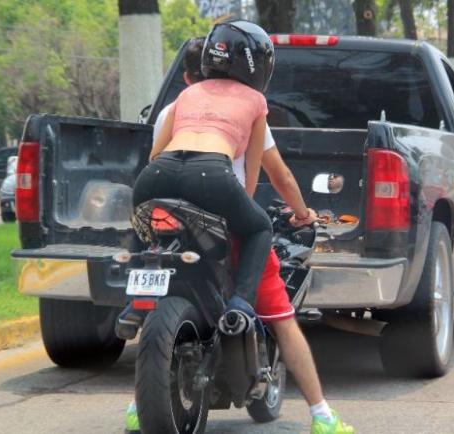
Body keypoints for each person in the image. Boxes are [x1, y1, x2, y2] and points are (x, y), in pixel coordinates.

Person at [125, 35, 354, 434]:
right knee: (261, 232)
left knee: (146, 228)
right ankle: (319, 412)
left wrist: (164, 187)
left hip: (157, 178)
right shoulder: (255, 101)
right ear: (258, 67)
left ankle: (132, 304)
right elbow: (257, 174)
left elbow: (154, 156)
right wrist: (286, 213)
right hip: (212, 182)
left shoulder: (186, 96)